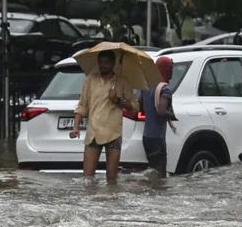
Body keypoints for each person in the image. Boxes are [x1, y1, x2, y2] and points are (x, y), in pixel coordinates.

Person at [69, 50, 136, 183]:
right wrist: (76, 127)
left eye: (106, 62)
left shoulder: (122, 82)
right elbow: (82, 106)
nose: (103, 65)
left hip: (114, 134)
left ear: (113, 63)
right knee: (88, 178)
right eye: (100, 62)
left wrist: (118, 100)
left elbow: (134, 107)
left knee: (112, 178)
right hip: (94, 132)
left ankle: (111, 202)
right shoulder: (90, 80)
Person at [140, 55, 176, 176]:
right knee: (160, 174)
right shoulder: (165, 89)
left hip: (146, 137)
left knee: (152, 169)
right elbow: (161, 111)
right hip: (157, 138)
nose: (172, 71)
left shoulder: (147, 86)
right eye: (170, 68)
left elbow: (141, 107)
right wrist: (171, 115)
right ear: (165, 69)